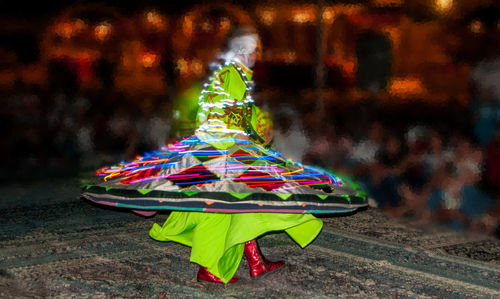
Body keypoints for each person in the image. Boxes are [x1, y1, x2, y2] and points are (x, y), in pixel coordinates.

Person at [82, 27, 367, 284]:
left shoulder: (233, 76)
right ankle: (211, 267)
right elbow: (227, 115)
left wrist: (256, 130)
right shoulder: (229, 76)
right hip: (221, 155)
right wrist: (255, 130)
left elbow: (228, 114)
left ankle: (256, 261)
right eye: (252, 49)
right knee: (228, 205)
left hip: (225, 153)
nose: (256, 54)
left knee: (246, 202)